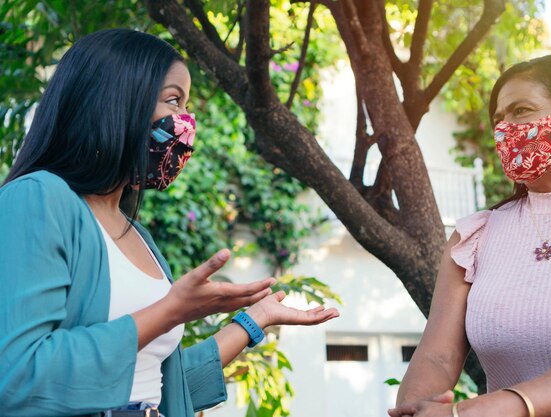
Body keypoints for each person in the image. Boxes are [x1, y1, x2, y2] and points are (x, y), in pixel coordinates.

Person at [0, 29, 339, 417]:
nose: (184, 123)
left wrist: (253, 321)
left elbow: (162, 387)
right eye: (173, 100)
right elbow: (17, 376)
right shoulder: (37, 199)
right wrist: (172, 309)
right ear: (116, 99)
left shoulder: (136, 234)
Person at [389, 54, 551, 417]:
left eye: (521, 110)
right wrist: (413, 409)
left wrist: (467, 414)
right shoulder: (475, 236)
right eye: (499, 118)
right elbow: (437, 355)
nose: (505, 128)